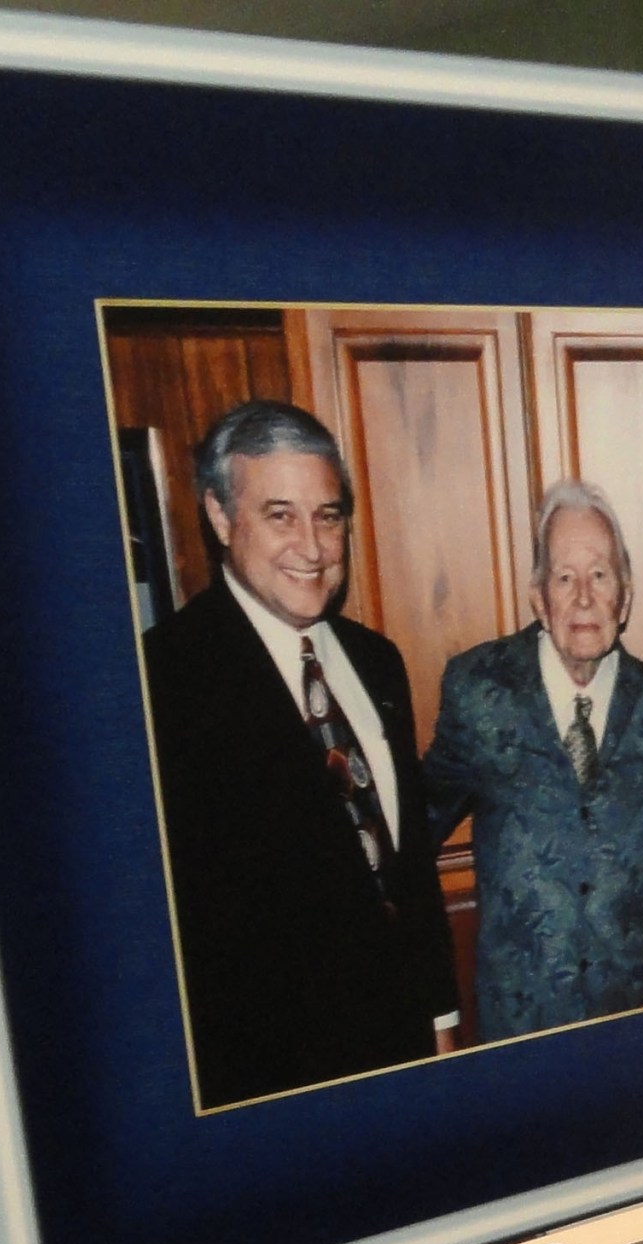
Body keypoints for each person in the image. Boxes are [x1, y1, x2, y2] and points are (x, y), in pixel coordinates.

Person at [145, 400, 458, 1110]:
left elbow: (409, 873)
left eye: (329, 515)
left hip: (402, 1054)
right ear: (222, 519)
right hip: (269, 1078)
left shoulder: (378, 664)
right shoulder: (161, 682)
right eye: (280, 515)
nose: (313, 547)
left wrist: (440, 1021)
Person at [421, 479, 643, 1042]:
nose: (582, 597)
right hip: (520, 1029)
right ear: (538, 595)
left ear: (624, 598)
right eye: (564, 576)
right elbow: (414, 833)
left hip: (634, 1022)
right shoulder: (479, 691)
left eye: (600, 575)